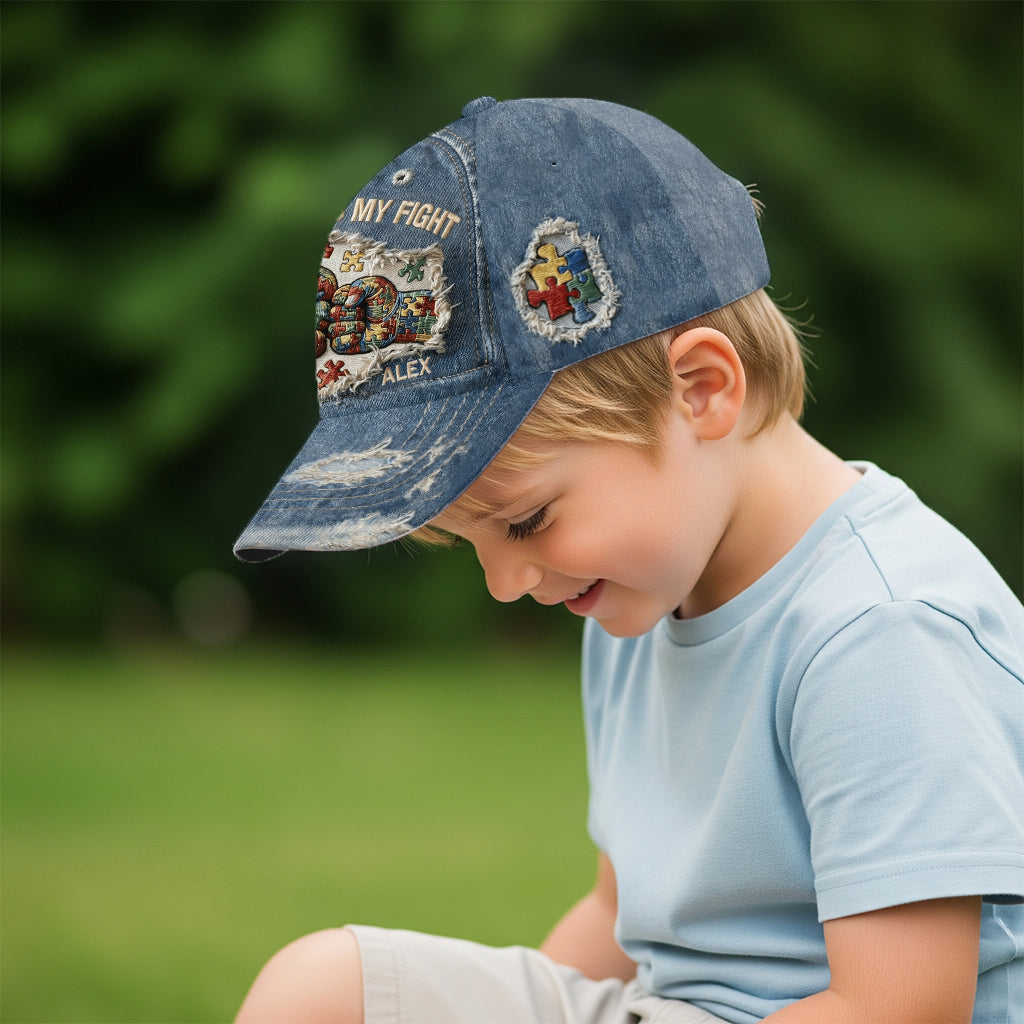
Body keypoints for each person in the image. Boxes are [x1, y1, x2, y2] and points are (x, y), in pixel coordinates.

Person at [232, 97, 1024, 1023]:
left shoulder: (878, 628)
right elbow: (620, 918)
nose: (504, 584)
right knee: (322, 990)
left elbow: (899, 1008)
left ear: (701, 391)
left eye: (524, 523)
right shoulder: (634, 595)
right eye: (472, 542)